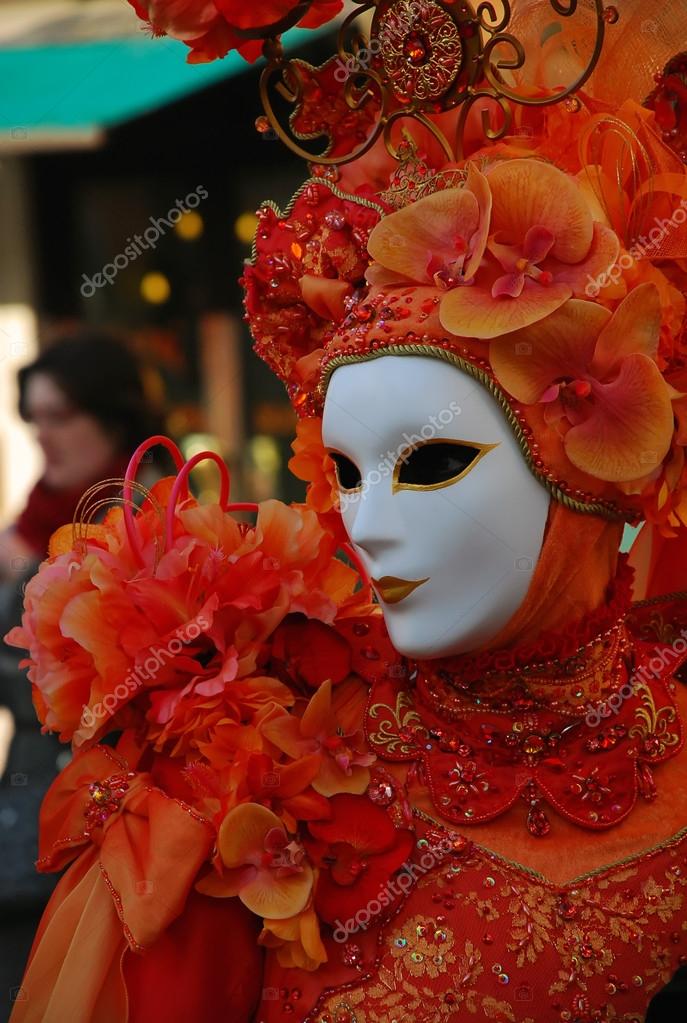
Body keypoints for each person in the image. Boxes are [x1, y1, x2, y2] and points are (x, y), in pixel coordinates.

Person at [6, 2, 687, 1022]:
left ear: (592, 461)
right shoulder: (248, 780)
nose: (367, 525)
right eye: (348, 475)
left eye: (433, 462)